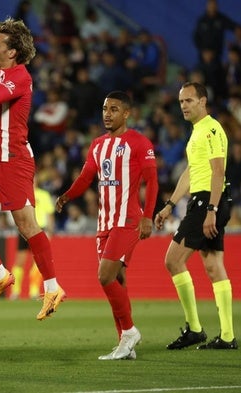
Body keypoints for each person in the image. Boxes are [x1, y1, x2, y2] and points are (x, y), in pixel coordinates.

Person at [0, 17, 65, 320]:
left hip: (14, 161)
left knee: (27, 227)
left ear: (13, 52)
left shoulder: (20, 76)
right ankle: (1, 274)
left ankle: (53, 287)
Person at [56, 91, 158, 360]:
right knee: (117, 281)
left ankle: (130, 332)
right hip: (105, 222)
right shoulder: (98, 145)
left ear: (126, 113)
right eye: (104, 109)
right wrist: (67, 195)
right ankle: (125, 344)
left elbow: (153, 182)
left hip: (128, 220)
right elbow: (86, 177)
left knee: (104, 276)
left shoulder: (139, 142)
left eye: (114, 109)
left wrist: (148, 216)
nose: (107, 114)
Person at [155, 82, 237, 350]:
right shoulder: (198, 131)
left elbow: (217, 172)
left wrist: (211, 210)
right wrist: (169, 204)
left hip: (207, 202)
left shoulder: (211, 129)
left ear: (203, 101)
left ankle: (195, 329)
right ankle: (227, 336)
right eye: (181, 102)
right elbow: (191, 172)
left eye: (189, 101)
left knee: (173, 260)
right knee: (214, 266)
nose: (184, 106)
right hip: (207, 201)